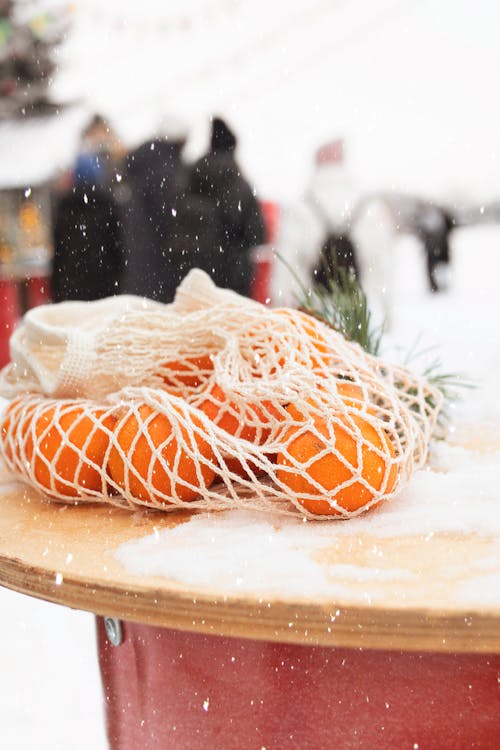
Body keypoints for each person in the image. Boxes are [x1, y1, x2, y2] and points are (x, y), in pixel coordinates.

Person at [120, 117, 225, 303]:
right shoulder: (167, 168)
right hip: (162, 259)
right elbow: (172, 213)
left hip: (139, 255)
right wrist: (207, 211)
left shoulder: (145, 163)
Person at [270, 138, 360, 307]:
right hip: (358, 313)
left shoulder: (302, 206)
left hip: (314, 310)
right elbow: (382, 265)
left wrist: (278, 302)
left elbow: (286, 258)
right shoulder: (365, 206)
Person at [189, 116, 266, 297]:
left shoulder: (191, 177)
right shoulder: (240, 185)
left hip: (194, 274)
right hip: (233, 275)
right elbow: (257, 233)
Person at [51, 152, 124, 302]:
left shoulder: (65, 207)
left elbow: (59, 252)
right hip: (104, 283)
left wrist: (57, 288)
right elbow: (118, 248)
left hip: (71, 284)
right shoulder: (108, 204)